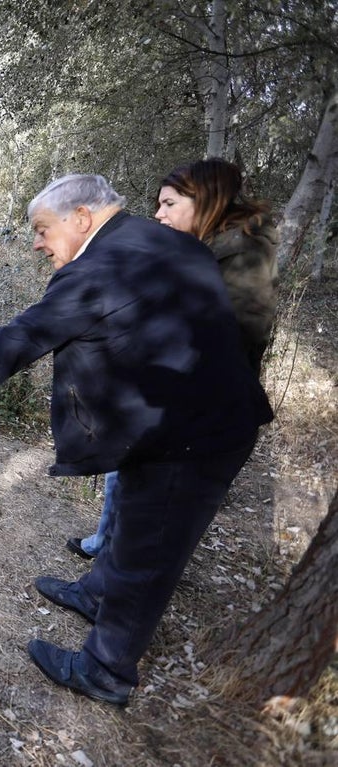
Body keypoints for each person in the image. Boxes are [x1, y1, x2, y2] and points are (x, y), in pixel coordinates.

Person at [0, 174, 273, 705]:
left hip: (192, 436)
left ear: (82, 218)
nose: (37, 243)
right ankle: (94, 594)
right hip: (171, 422)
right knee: (129, 517)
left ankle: (106, 671)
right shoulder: (163, 240)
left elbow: (6, 348)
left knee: (145, 555)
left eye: (43, 229)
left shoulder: (96, 272)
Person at [67, 158, 278, 560]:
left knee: (147, 503)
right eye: (158, 204)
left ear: (205, 201)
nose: (158, 214)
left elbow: (224, 340)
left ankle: (111, 568)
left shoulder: (239, 258)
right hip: (173, 398)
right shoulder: (205, 251)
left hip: (195, 410)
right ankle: (104, 550)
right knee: (126, 475)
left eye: (169, 204)